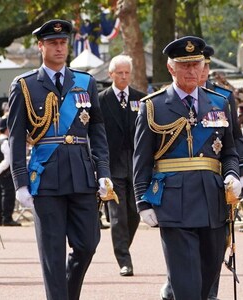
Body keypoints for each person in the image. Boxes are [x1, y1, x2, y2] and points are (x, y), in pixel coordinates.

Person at [8, 19, 112, 300]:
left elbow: (98, 130)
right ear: (41, 46)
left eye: (63, 42)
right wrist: (19, 183)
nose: (59, 47)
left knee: (88, 244)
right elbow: (17, 137)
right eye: (53, 43)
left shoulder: (86, 82)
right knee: (52, 254)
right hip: (46, 176)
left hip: (81, 174)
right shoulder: (25, 85)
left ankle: (66, 294)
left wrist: (103, 170)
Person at [133, 36, 241, 300]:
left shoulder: (219, 103)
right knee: (186, 284)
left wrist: (233, 173)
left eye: (197, 64)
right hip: (173, 201)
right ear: (171, 68)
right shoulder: (153, 106)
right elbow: (141, 158)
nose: (192, 70)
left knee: (208, 279)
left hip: (212, 200)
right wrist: (142, 202)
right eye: (185, 65)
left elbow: (230, 151)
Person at [98, 54, 147, 277]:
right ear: (111, 75)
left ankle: (123, 247)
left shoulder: (141, 99)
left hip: (136, 163)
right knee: (117, 215)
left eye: (127, 73)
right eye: (120, 73)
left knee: (135, 213)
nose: (124, 77)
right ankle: (124, 261)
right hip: (113, 163)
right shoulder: (101, 99)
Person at [0, 117, 20, 226]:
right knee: (8, 195)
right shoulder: (5, 142)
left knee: (1, 195)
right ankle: (6, 219)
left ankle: (2, 218)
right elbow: (7, 160)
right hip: (5, 173)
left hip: (1, 173)